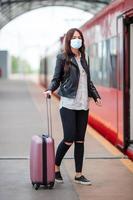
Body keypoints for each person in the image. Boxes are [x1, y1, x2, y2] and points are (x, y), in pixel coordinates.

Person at [44, 28, 102, 185]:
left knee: (80, 140)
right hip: (68, 104)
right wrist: (50, 89)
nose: (78, 39)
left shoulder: (84, 58)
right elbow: (56, 78)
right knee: (69, 138)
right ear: (69, 40)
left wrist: (95, 96)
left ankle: (78, 174)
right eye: (74, 37)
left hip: (83, 104)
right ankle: (55, 166)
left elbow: (87, 81)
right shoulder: (62, 57)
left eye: (79, 37)